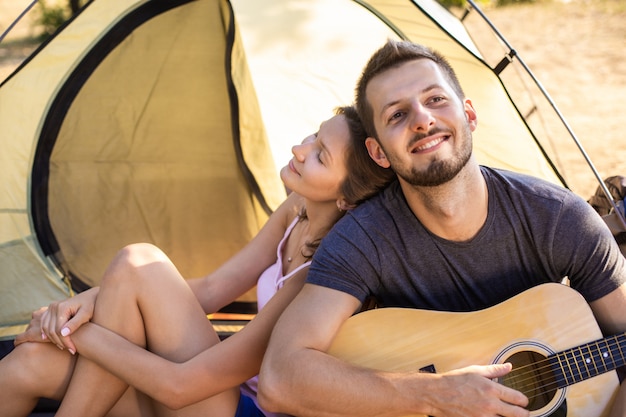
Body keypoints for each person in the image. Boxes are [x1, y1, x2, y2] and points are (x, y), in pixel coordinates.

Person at [257, 40, 626, 417]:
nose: (422, 119)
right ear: (378, 152)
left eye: (435, 100)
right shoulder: (363, 239)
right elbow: (279, 378)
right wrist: (434, 394)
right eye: (397, 115)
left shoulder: (560, 219)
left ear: (469, 115)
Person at [0, 105, 394, 417]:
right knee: (30, 362)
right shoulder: (297, 210)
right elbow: (210, 289)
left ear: (347, 198)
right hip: (207, 395)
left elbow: (179, 387)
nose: (300, 149)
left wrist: (74, 332)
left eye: (320, 156)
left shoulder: (324, 274)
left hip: (231, 407)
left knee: (139, 259)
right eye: (314, 135)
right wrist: (82, 305)